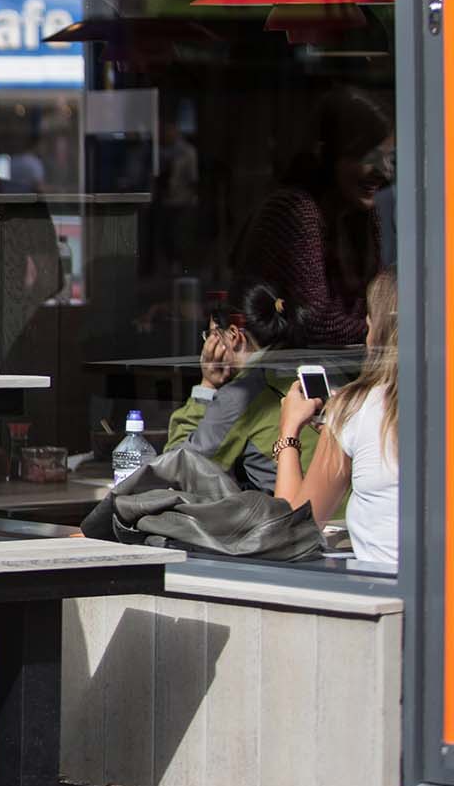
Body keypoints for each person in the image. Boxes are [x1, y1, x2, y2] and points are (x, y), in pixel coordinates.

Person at [235, 88, 393, 347]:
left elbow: (377, 302)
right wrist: (385, 330)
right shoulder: (295, 210)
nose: (384, 171)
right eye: (369, 156)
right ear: (329, 153)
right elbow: (317, 322)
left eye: (389, 158)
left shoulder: (362, 214)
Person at [276, 267, 399, 568]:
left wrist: (289, 432)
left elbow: (292, 533)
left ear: (378, 335)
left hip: (388, 598)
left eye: (368, 327)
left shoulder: (357, 408)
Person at [165, 279, 313, 494]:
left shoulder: (243, 394)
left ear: (233, 336)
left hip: (301, 518)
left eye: (211, 336)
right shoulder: (320, 368)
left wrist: (206, 386)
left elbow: (178, 469)